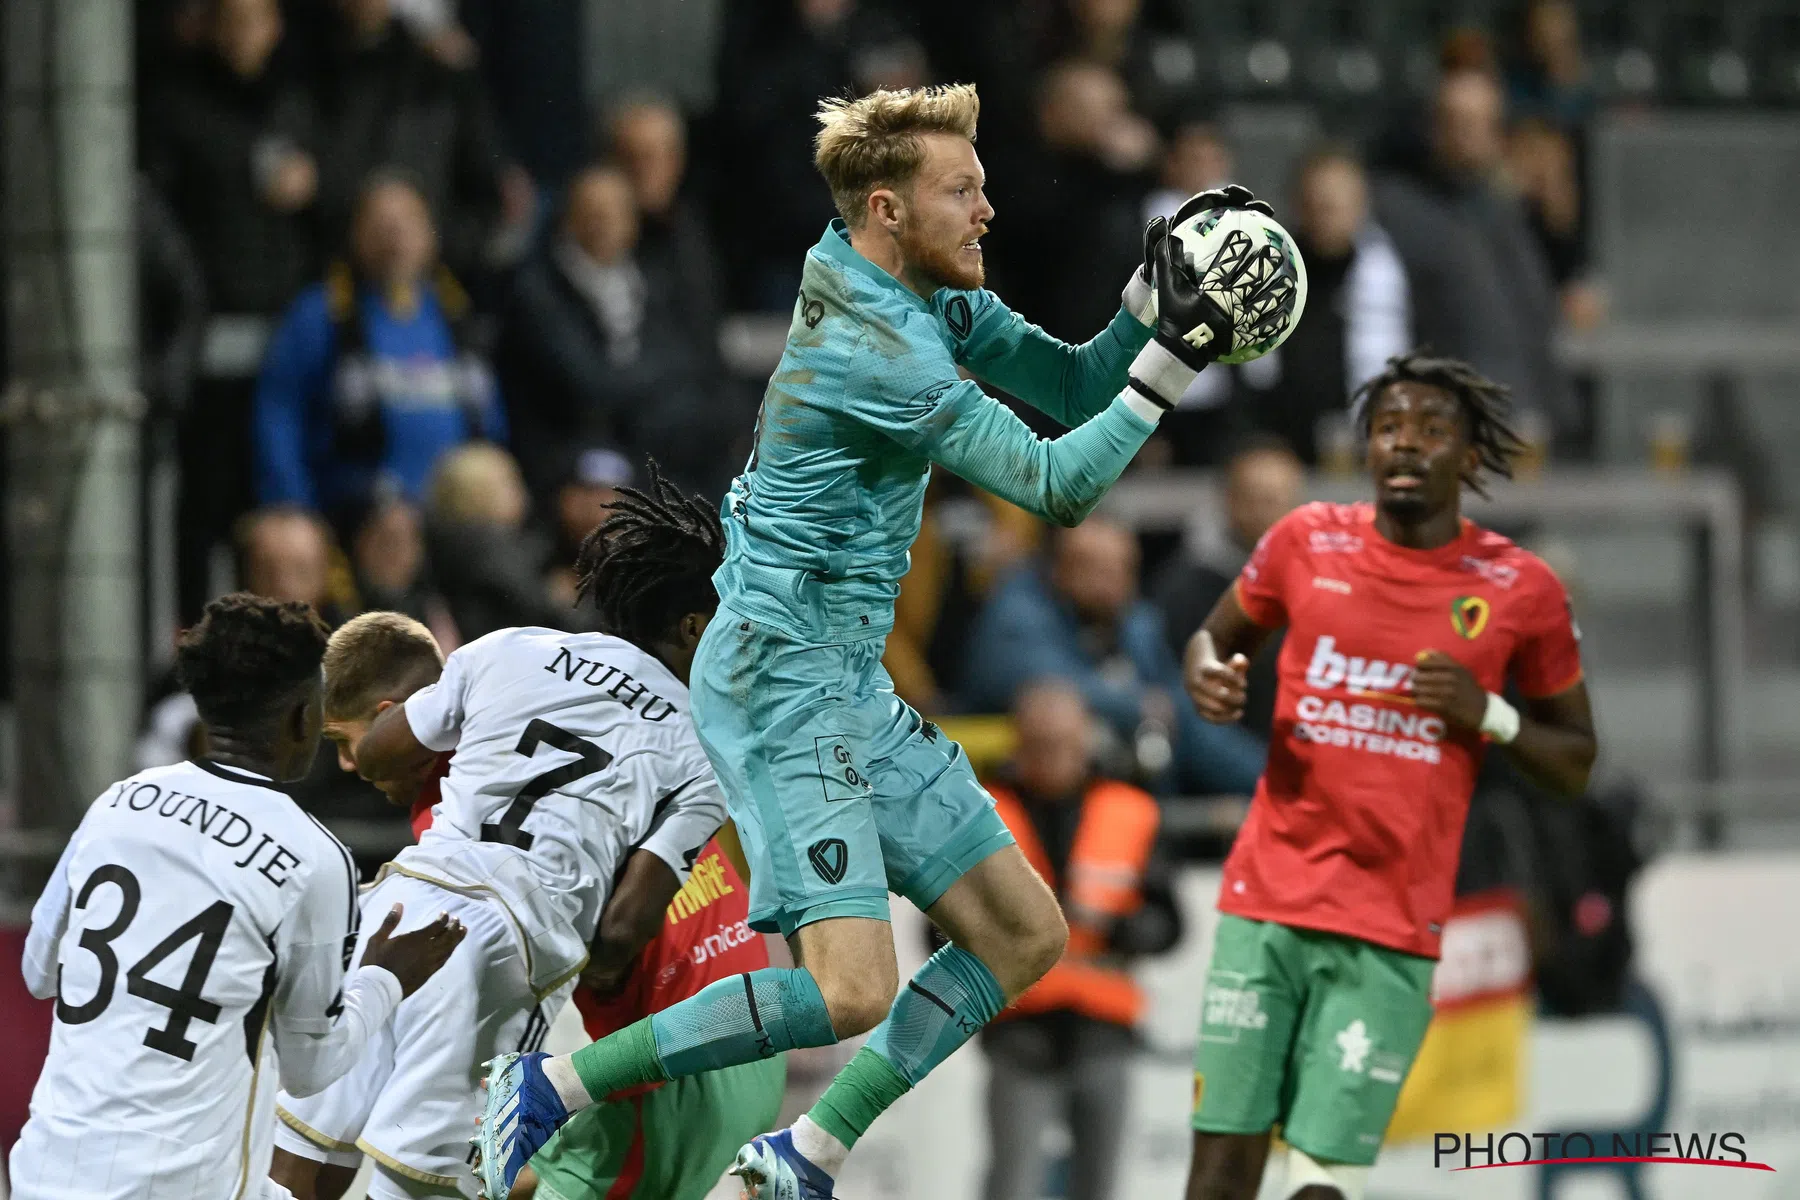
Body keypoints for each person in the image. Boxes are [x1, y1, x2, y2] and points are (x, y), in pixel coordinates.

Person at [477, 82, 1261, 1200]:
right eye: (964, 192)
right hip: (780, 683)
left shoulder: (914, 293)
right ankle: (558, 1085)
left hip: (843, 678)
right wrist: (1177, 362)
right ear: (888, 210)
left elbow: (1078, 383)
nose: (988, 210)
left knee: (1022, 932)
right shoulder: (877, 352)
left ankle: (807, 1151)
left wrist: (1146, 297)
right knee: (850, 991)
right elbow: (1058, 484)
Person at [1179, 352, 1597, 1200]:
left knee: (1322, 1185)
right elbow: (1211, 640)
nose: (1405, 444)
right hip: (1266, 905)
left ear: (1469, 458)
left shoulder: (1522, 589)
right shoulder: (1302, 540)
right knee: (1220, 1171)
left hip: (1390, 929)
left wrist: (1490, 714)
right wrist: (1208, 673)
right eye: (1388, 427)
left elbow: (1577, 763)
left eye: (1432, 430)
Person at [271, 465, 729, 1200]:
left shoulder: (514, 646)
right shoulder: (702, 747)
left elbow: (383, 748)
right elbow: (620, 931)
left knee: (304, 1151)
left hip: (404, 906)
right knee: (419, 1180)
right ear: (694, 627)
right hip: (508, 947)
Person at [9, 594, 464, 1200]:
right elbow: (311, 1072)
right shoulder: (311, 853)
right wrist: (384, 978)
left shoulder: (117, 802)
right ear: (305, 715)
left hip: (46, 1171)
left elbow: (40, 972)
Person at [981, 681, 1177, 1200]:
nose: (1052, 758)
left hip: (1104, 1030)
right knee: (1012, 1183)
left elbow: (1168, 924)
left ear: (1086, 741)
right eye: (1039, 745)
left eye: (1063, 743)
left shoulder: (1130, 810)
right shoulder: (983, 814)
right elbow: (936, 927)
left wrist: (1115, 928)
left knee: (1099, 1184)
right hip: (1019, 1029)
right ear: (1019, 745)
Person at [253, 171, 506, 523]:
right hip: (359, 507)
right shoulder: (323, 313)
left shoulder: (455, 313)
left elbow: (491, 423)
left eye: (407, 224)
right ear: (356, 234)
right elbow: (279, 413)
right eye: (382, 225)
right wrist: (292, 505)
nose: (396, 238)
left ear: (429, 235)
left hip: (456, 515)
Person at [962, 517, 1265, 795]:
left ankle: (1276, 785)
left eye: (1123, 568)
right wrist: (1142, 705)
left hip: (1135, 763)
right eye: (1095, 569)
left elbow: (1176, 697)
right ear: (1058, 569)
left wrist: (1164, 705)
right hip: (1022, 782)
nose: (1112, 582)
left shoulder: (1134, 620)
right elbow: (1049, 682)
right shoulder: (1017, 612)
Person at [1372, 70, 1571, 440]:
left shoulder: (1510, 212)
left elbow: (1535, 318)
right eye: (1457, 122)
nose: (1469, 134)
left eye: (1481, 123)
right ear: (1432, 128)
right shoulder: (1395, 209)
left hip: (1526, 417)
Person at [1234, 148, 1410, 464]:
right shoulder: (1267, 274)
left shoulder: (1394, 273)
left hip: (1372, 452)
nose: (1324, 215)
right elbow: (1251, 379)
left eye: (1334, 206)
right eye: (1315, 204)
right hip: (1287, 454)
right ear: (1297, 206)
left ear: (1360, 207)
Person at [1151, 436, 1304, 740]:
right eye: (1256, 499)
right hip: (1221, 750)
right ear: (1229, 500)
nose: (1267, 514)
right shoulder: (1186, 587)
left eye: (1277, 500)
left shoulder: (1318, 581)